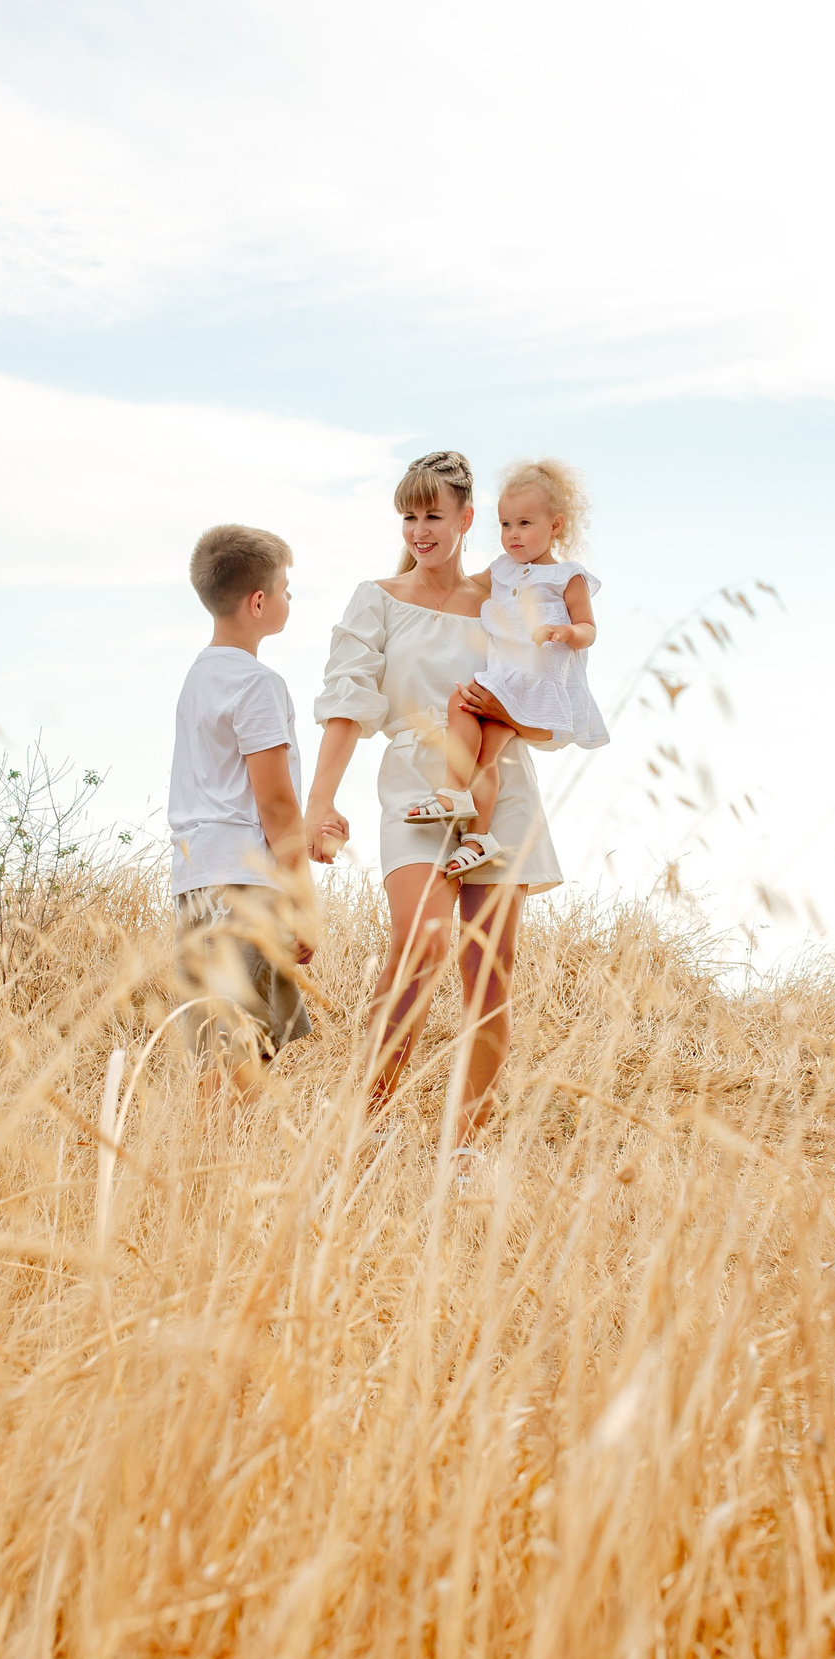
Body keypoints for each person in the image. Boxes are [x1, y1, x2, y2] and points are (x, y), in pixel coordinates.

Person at [304, 450, 564, 1155]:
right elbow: (346, 702)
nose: (420, 530)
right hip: (416, 787)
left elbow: (551, 712)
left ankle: (465, 1146)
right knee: (421, 942)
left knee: (489, 977)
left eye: (433, 515)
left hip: (501, 787)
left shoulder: (505, 598)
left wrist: (501, 707)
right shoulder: (378, 597)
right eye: (409, 516)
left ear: (466, 518)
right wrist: (318, 803)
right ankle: (368, 1126)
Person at [402, 459, 609, 877]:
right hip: (504, 677)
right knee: (485, 755)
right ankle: (479, 838)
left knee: (463, 702)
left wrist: (567, 633)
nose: (513, 535)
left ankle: (453, 793)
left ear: (556, 525)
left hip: (533, 681)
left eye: (525, 524)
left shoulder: (568, 577)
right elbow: (463, 584)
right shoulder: (500, 568)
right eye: (505, 524)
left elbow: (589, 628)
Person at [168, 523, 315, 1103]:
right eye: (285, 588)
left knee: (233, 1044)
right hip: (244, 882)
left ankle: (230, 1178)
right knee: (234, 1054)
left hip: (201, 877)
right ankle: (215, 1178)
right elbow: (275, 802)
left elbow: (226, 789)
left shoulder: (199, 677)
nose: (287, 599)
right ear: (259, 602)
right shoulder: (257, 684)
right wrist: (302, 899)